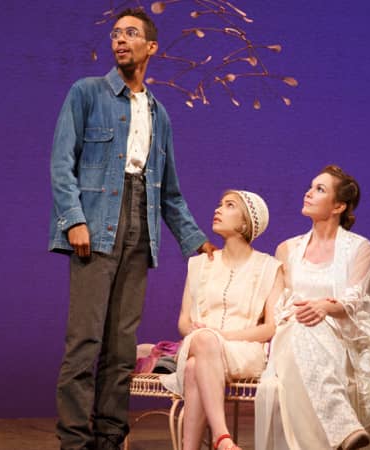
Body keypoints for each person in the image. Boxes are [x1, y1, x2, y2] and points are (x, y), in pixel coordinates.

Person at [48, 8, 216, 450]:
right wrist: (74, 219)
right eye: (116, 33)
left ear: (151, 47)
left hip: (140, 227)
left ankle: (108, 438)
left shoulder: (159, 114)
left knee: (122, 349)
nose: (121, 40)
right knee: (85, 342)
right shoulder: (86, 93)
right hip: (97, 224)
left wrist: (194, 240)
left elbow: (170, 192)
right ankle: (74, 441)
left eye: (131, 33)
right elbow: (61, 163)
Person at [255, 165, 370, 450]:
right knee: (299, 327)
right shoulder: (287, 249)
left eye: (320, 189)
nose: (308, 192)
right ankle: (342, 426)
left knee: (308, 329)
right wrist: (307, 310)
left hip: (339, 341)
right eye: (310, 186)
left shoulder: (360, 248)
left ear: (339, 206)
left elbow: (355, 299)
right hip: (289, 334)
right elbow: (280, 304)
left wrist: (324, 308)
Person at [161, 190, 284, 450]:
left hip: (244, 350)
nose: (217, 209)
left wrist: (219, 336)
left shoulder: (270, 267)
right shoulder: (198, 264)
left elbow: (270, 327)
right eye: (219, 204)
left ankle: (214, 440)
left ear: (245, 223)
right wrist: (203, 335)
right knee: (197, 357)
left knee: (197, 362)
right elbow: (184, 323)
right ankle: (222, 437)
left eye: (229, 206)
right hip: (199, 343)